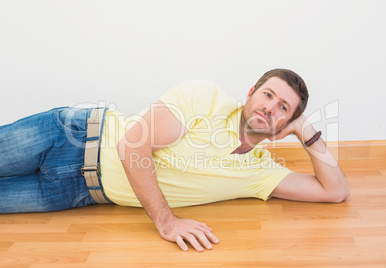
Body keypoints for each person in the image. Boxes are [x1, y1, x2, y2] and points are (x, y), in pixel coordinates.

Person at [0, 68, 350, 252]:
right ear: (250, 94)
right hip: (72, 136)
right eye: (267, 94)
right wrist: (167, 222)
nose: (269, 107)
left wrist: (307, 131)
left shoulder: (259, 173)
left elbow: (334, 191)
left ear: (285, 122)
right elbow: (131, 146)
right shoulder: (206, 99)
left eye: (283, 109)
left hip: (78, 192)